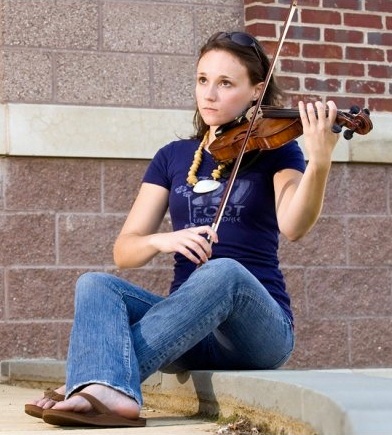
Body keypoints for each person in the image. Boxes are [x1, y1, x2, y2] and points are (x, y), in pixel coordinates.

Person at [25, 31, 339, 427]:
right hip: (187, 328)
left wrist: (321, 161)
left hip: (258, 331)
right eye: (203, 80)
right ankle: (104, 388)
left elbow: (294, 226)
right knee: (96, 284)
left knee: (222, 271)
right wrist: (163, 239)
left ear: (257, 91)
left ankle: (96, 384)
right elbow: (125, 251)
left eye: (226, 83)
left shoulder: (276, 149)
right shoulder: (172, 157)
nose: (209, 94)